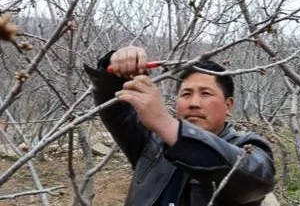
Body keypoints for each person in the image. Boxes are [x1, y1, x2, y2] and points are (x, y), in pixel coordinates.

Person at [84, 46, 275, 206]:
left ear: (228, 105)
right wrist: (115, 66)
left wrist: (166, 124)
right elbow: (115, 109)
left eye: (206, 93)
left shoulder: (247, 146)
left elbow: (256, 180)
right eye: (186, 94)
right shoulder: (152, 143)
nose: (194, 103)